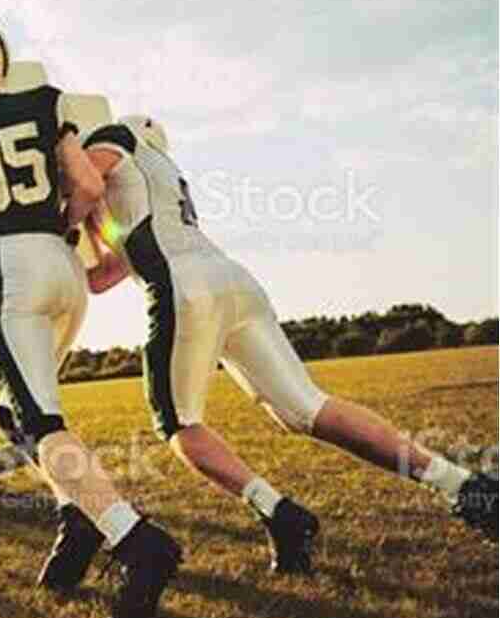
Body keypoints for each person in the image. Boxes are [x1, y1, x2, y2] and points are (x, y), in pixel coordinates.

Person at [58, 113, 498, 578]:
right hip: (232, 281)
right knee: (306, 408)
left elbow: (83, 178)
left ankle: (278, 512)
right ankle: (461, 484)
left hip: (183, 287)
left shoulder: (117, 138)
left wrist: (64, 200)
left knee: (179, 424)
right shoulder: (163, 184)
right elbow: (104, 276)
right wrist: (89, 226)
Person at [0, 20, 181, 618]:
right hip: (64, 268)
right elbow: (86, 183)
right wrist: (63, 224)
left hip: (11, 275)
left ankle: (135, 542)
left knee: (39, 421)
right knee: (16, 412)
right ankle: (75, 518)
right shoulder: (45, 101)